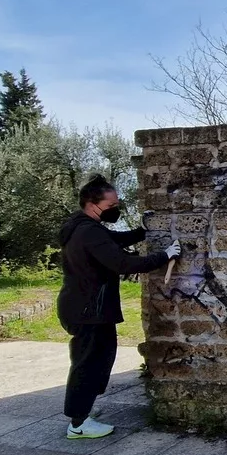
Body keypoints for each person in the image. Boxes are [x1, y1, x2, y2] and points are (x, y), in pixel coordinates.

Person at [57, 175, 180, 439]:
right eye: (111, 204)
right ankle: (78, 424)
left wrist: (142, 230)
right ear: (92, 204)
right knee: (89, 364)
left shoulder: (82, 227)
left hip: (84, 307)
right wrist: (165, 255)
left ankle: (83, 412)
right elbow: (124, 264)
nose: (116, 208)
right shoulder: (88, 232)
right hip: (89, 310)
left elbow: (113, 241)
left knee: (94, 361)